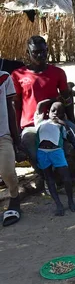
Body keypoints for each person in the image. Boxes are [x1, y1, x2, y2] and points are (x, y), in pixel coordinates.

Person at [12, 36, 75, 190]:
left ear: (47, 51)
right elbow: (16, 105)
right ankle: (49, 180)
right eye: (35, 53)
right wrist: (17, 131)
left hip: (55, 122)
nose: (40, 56)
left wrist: (72, 122)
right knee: (34, 153)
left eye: (43, 52)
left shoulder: (58, 72)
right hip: (30, 125)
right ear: (28, 53)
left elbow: (67, 100)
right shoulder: (17, 75)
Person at [34, 100, 75, 216]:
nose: (55, 114)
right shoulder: (40, 121)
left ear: (62, 115)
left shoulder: (61, 125)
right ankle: (58, 204)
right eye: (53, 110)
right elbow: (39, 106)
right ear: (48, 112)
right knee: (49, 179)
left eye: (59, 112)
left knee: (66, 178)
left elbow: (70, 137)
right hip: (42, 153)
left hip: (57, 152)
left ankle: (71, 201)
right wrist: (53, 97)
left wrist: (64, 123)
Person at [0, 71, 21, 226]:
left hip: (3, 135)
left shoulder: (4, 77)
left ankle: (14, 198)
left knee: (7, 172)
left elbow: (10, 108)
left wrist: (16, 138)